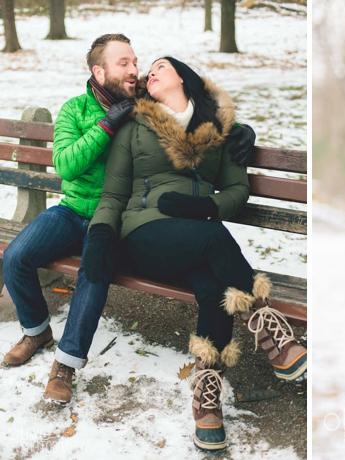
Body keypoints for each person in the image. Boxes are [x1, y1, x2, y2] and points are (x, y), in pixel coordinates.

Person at [81, 56, 307, 452]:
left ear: (184, 79)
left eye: (160, 67)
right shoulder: (134, 126)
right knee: (214, 241)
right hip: (144, 232)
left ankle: (207, 399)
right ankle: (267, 324)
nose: (150, 73)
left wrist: (207, 209)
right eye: (147, 70)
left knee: (213, 289)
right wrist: (100, 235)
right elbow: (114, 193)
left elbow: (238, 191)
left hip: (199, 231)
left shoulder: (219, 130)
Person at [1, 34, 139, 404]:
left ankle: (65, 365)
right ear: (100, 70)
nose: (134, 70)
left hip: (114, 220)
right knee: (14, 258)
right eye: (123, 63)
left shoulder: (145, 107)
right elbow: (66, 164)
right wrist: (107, 125)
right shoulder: (75, 110)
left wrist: (242, 132)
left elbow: (191, 115)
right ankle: (36, 331)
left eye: (135, 62)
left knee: (92, 274)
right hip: (72, 209)